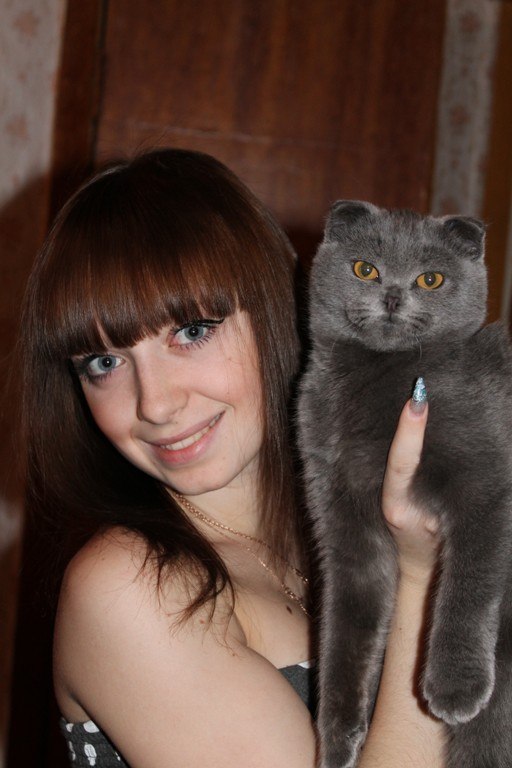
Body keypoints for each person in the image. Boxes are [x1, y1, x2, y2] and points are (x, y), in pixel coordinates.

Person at [20, 148, 445, 767]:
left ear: (276, 311)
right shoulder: (129, 586)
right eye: (104, 362)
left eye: (191, 331)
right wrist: (424, 578)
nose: (156, 404)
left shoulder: (344, 529)